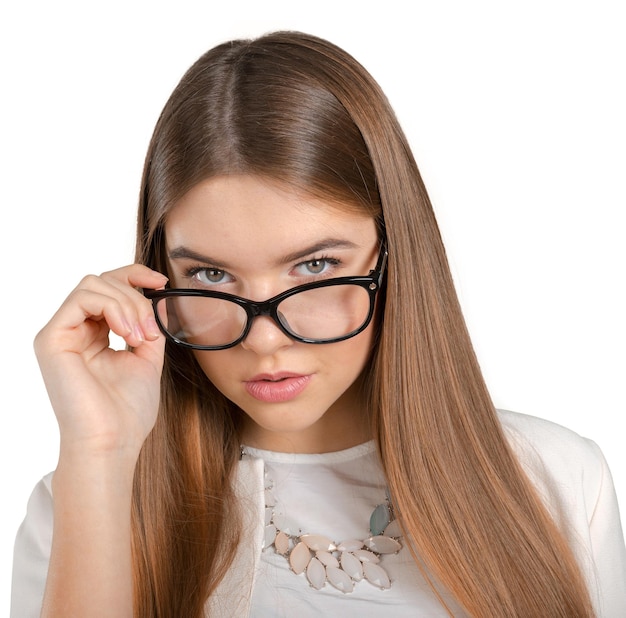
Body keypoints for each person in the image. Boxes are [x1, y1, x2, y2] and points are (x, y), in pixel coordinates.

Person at [10, 31, 626, 617]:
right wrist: (99, 452)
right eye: (212, 277)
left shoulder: (555, 478)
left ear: (393, 256)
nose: (265, 338)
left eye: (314, 266)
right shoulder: (86, 503)